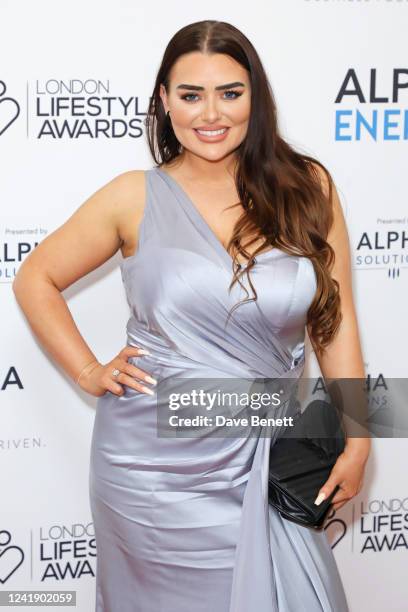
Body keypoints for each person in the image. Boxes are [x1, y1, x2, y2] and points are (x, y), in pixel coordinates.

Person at [13, 19, 370, 612]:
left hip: (269, 454)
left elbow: (338, 323)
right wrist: (86, 371)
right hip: (151, 466)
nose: (211, 113)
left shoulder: (309, 187)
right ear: (163, 100)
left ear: (256, 96)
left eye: (230, 93)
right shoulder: (135, 195)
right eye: (190, 94)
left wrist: (360, 438)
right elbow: (36, 277)